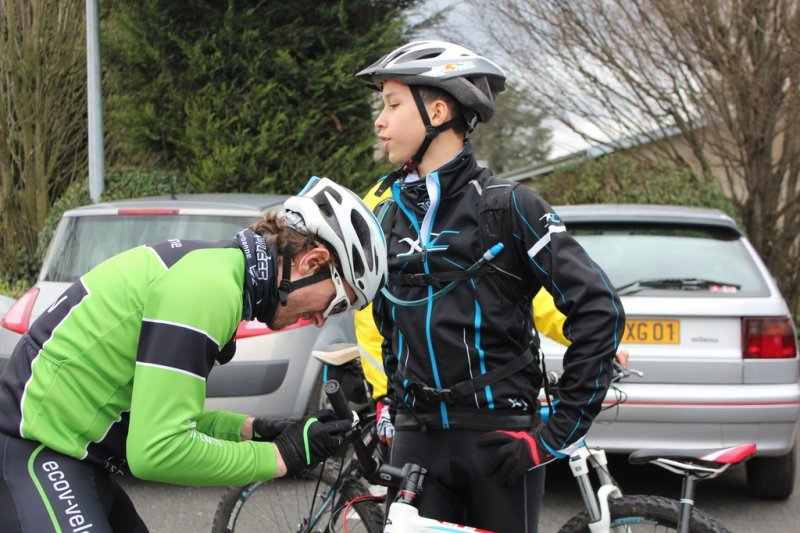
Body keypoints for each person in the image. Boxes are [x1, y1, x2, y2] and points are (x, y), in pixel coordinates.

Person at [0, 177, 387, 533]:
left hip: (72, 448)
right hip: (37, 448)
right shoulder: (210, 289)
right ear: (312, 262)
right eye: (337, 303)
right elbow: (157, 450)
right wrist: (281, 456)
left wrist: (255, 430)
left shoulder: (221, 272)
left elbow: (159, 413)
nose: (321, 319)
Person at [354, 41, 625, 532]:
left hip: (501, 440)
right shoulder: (387, 215)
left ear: (437, 110)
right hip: (418, 439)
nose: (380, 120)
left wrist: (553, 436)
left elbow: (600, 311)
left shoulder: (509, 206)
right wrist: (394, 404)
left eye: (392, 104)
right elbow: (386, 320)